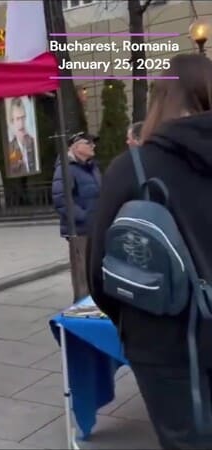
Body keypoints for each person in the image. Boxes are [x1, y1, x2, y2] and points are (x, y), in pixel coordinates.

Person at [88, 53, 212, 449]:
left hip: (162, 340)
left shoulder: (132, 169)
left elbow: (99, 273)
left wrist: (135, 326)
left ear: (160, 101)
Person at [52, 131, 101, 302]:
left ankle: (95, 303)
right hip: (79, 230)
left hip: (95, 227)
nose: (93, 146)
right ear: (76, 147)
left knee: (93, 270)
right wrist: (85, 216)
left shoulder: (92, 167)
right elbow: (61, 200)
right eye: (89, 143)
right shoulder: (66, 168)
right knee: (82, 273)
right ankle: (82, 305)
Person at [7, 97, 38, 176]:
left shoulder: (34, 143)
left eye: (23, 117)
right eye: (18, 119)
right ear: (12, 121)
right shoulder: (10, 148)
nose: (21, 123)